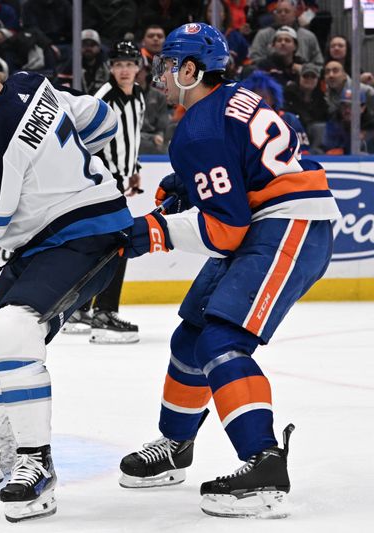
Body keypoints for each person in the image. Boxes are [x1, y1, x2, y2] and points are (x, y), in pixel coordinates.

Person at [0, 25, 147, 522]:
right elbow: (101, 120)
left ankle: (35, 463)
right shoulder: (33, 85)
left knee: (14, 328)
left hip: (86, 238)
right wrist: (55, 173)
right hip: (52, 240)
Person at [117, 22, 339, 518]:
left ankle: (263, 465)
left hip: (288, 226)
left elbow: (226, 231)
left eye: (170, 65)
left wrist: (156, 231)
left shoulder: (197, 128)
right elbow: (240, 166)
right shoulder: (232, 98)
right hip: (275, 216)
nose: (163, 74)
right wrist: (190, 186)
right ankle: (176, 445)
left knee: (221, 340)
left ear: (192, 70)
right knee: (190, 336)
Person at [63, 41, 145, 343]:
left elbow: (132, 135)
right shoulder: (102, 99)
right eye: (118, 64)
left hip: (118, 182)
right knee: (119, 242)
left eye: (129, 63)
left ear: (138, 67)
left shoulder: (138, 96)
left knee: (104, 245)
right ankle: (103, 312)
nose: (124, 69)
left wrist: (133, 169)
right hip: (99, 185)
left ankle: (81, 307)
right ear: (110, 68)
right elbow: (80, 141)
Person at [249, 0, 322, 67]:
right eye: (279, 12)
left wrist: (305, 70)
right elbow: (254, 59)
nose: (283, 14)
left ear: (294, 14)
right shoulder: (263, 35)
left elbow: (318, 63)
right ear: (274, 15)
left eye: (287, 11)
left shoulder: (308, 36)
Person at [55, 29, 110, 96]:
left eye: (92, 45)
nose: (88, 48)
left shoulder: (106, 65)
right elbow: (59, 85)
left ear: (99, 47)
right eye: (84, 45)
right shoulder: (71, 65)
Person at [322, 88, 374, 155]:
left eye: (351, 106)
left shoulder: (371, 127)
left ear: (362, 108)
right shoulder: (333, 124)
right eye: (344, 106)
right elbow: (329, 151)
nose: (347, 110)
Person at [283, 62, 328, 132]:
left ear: (317, 80)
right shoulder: (289, 94)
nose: (309, 79)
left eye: (313, 76)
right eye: (306, 76)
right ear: (299, 77)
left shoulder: (321, 100)